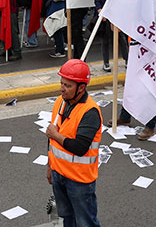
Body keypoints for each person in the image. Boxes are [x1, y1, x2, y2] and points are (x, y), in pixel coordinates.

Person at [45, 59, 102, 227]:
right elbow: (51, 140)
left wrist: (56, 135)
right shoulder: (59, 102)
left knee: (86, 222)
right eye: (62, 83)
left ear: (81, 88)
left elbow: (79, 148)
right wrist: (50, 166)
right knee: (66, 218)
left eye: (68, 85)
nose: (62, 88)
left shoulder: (90, 112)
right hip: (58, 174)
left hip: (79, 180)